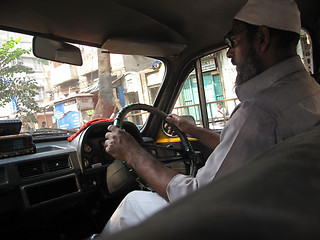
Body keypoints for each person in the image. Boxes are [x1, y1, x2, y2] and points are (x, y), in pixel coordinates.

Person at [101, 0, 320, 235]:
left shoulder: (259, 113)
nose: (229, 53)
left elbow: (198, 196)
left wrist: (132, 153)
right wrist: (192, 130)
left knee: (132, 202)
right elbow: (245, 149)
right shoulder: (309, 90)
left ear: (262, 39)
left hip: (236, 224)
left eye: (233, 41)